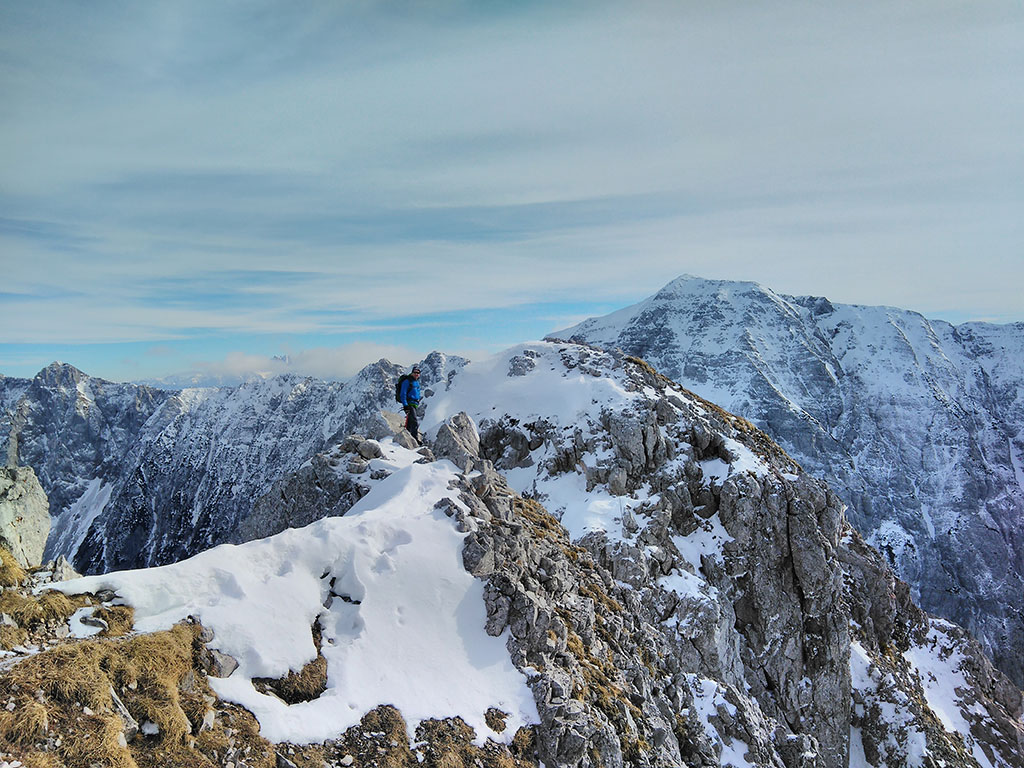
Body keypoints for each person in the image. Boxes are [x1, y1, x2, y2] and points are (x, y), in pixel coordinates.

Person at [399, 365, 423, 443]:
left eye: (418, 373)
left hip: (414, 404)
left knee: (410, 422)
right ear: (412, 373)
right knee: (414, 421)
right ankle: (415, 439)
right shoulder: (407, 381)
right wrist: (405, 405)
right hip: (409, 404)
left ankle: (407, 438)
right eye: (415, 372)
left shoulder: (416, 382)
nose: (416, 374)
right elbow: (403, 394)